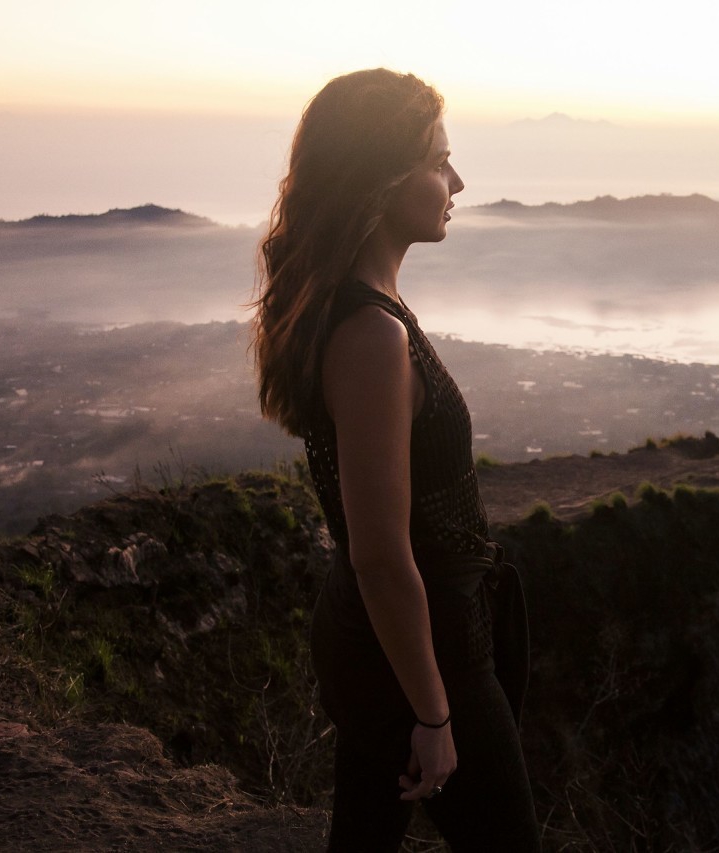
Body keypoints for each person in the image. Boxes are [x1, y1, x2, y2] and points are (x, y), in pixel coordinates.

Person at [250, 69, 541, 852]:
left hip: (385, 636)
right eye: (438, 161)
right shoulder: (373, 334)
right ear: (380, 179)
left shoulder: (363, 304)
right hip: (418, 646)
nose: (457, 181)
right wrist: (435, 714)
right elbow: (382, 552)